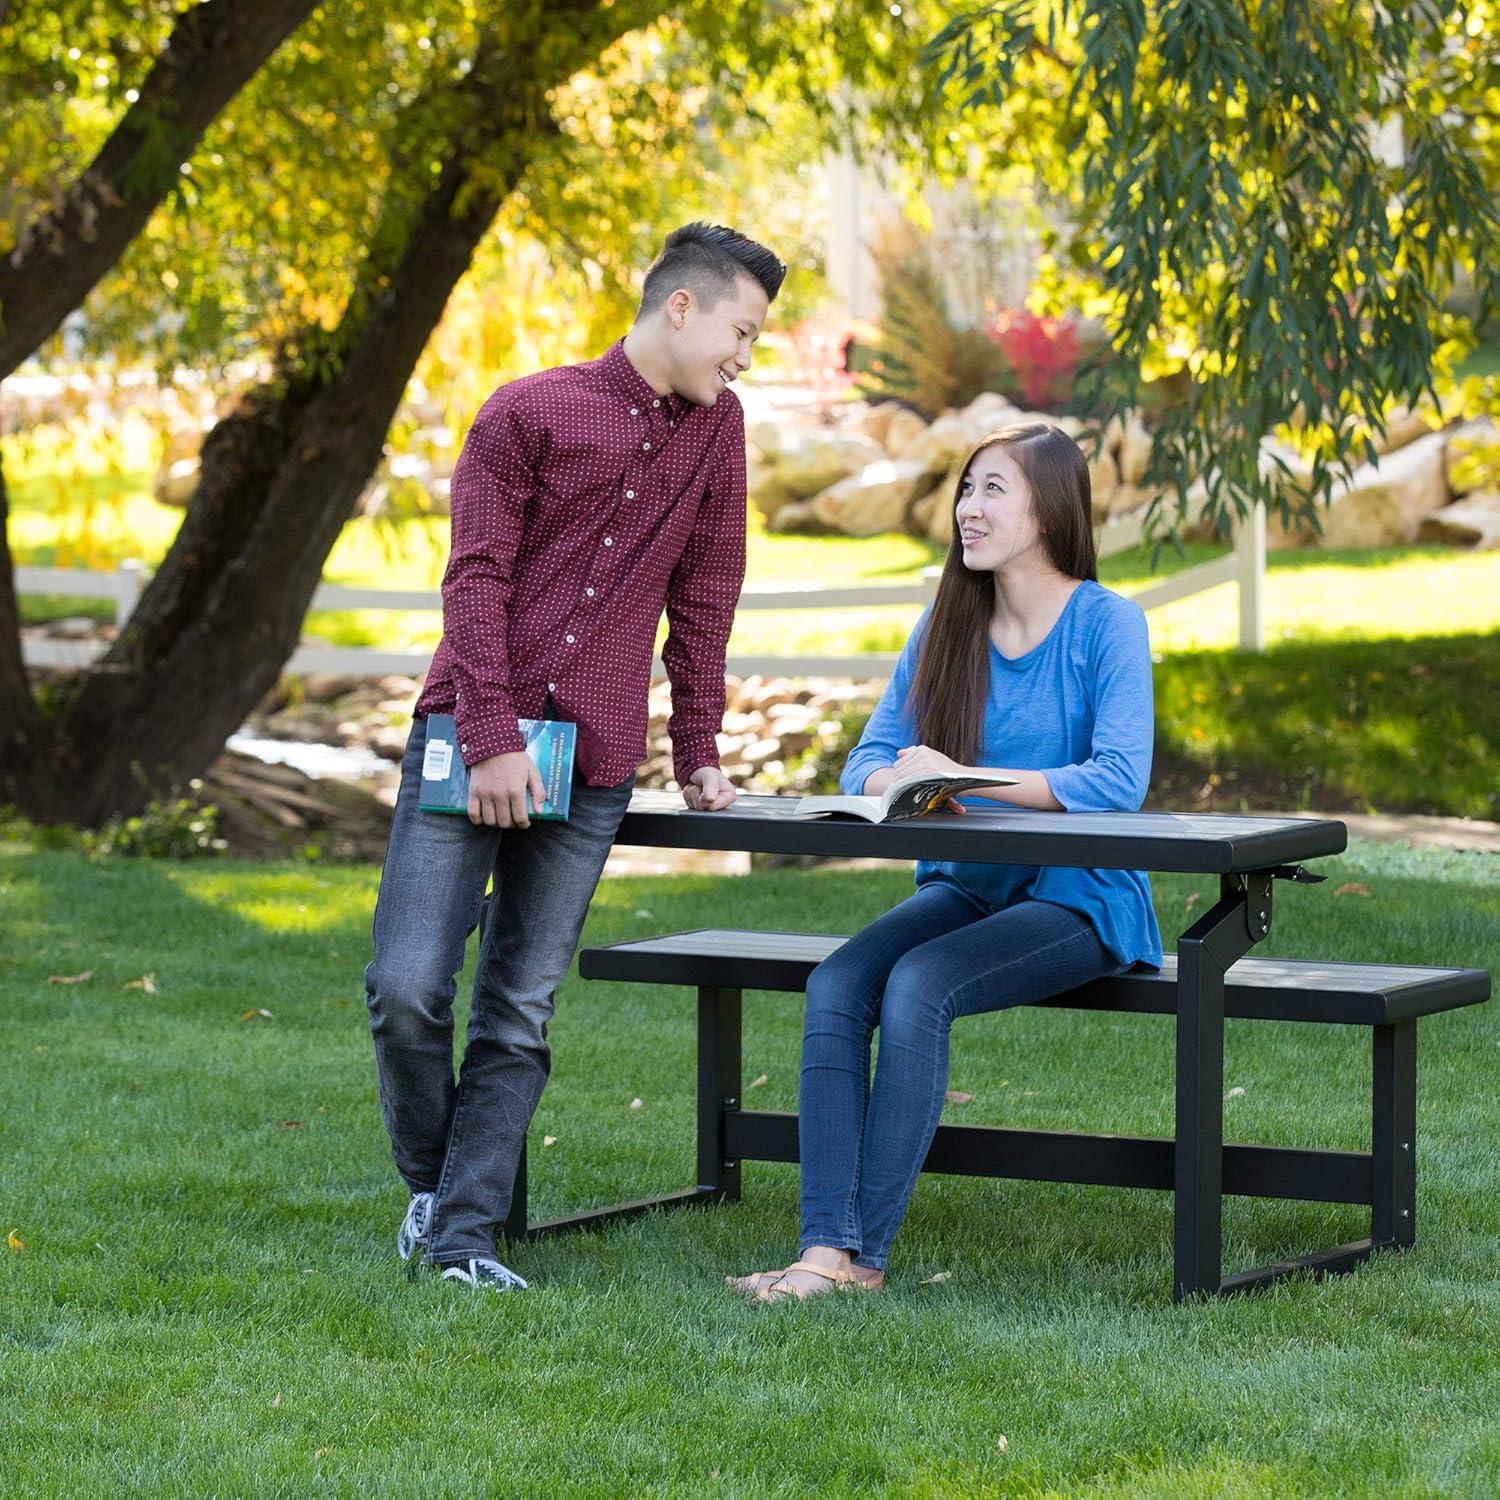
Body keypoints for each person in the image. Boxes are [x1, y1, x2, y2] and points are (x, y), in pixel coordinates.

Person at [366, 223, 785, 1292]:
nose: (745, 356)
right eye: (741, 329)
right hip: (472, 734)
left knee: (517, 1008)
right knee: (408, 987)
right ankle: (435, 1186)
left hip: (594, 756)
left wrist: (696, 745)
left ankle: (461, 1242)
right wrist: (494, 737)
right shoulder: (527, 412)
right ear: (681, 307)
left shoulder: (718, 432)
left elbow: (705, 593)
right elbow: (473, 584)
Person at [731, 423, 1162, 1300]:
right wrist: (899, 776)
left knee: (919, 986)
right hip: (969, 888)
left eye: (992, 489)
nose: (968, 507)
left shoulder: (1107, 624)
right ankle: (824, 1251)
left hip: (1084, 902)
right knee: (838, 983)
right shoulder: (946, 624)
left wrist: (965, 779)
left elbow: (1118, 778)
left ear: (1050, 507)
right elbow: (869, 758)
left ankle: (866, 1263)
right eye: (967, 489)